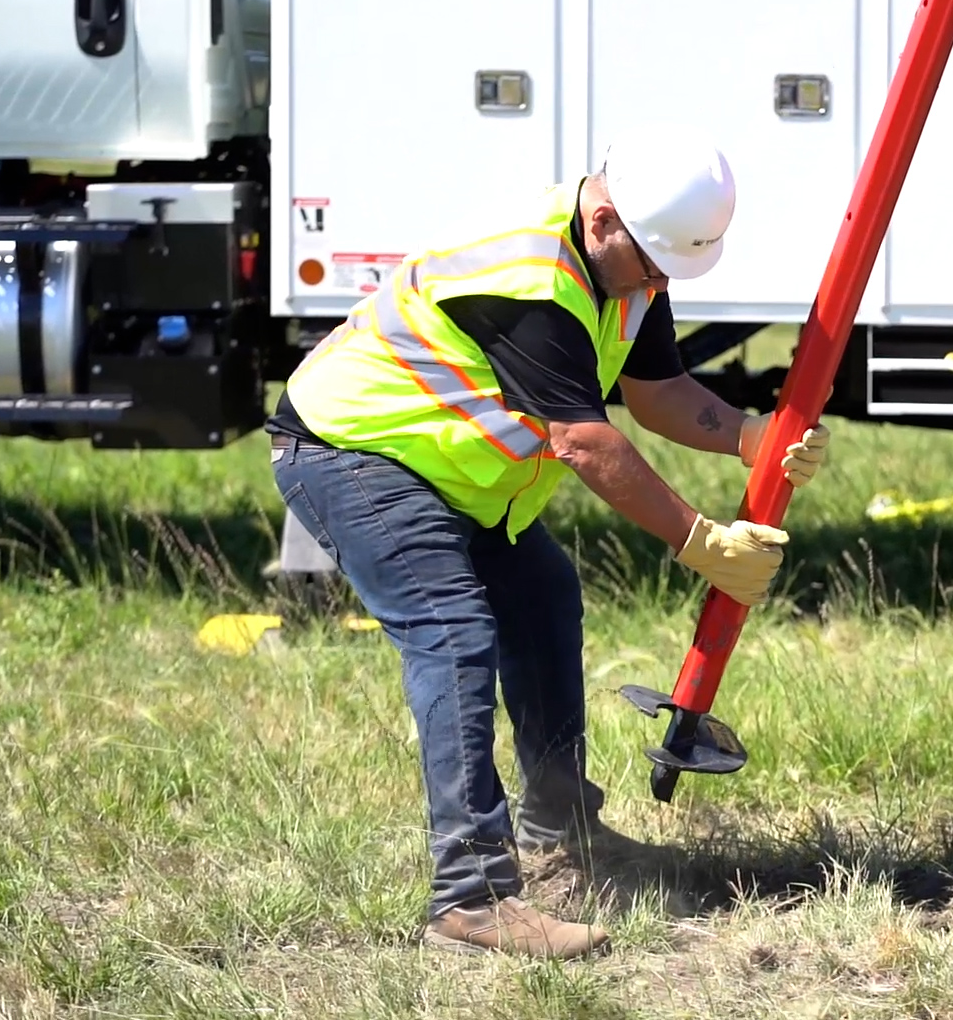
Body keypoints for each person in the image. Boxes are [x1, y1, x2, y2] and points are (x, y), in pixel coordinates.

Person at [263, 125, 831, 959]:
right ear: (603, 220)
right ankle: (472, 897)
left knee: (542, 596)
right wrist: (700, 541)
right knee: (453, 632)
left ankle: (562, 841)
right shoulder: (534, 278)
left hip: (444, 471)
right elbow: (584, 442)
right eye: (653, 265)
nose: (661, 282)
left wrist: (750, 436)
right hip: (351, 451)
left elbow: (658, 389)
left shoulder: (632, 256)